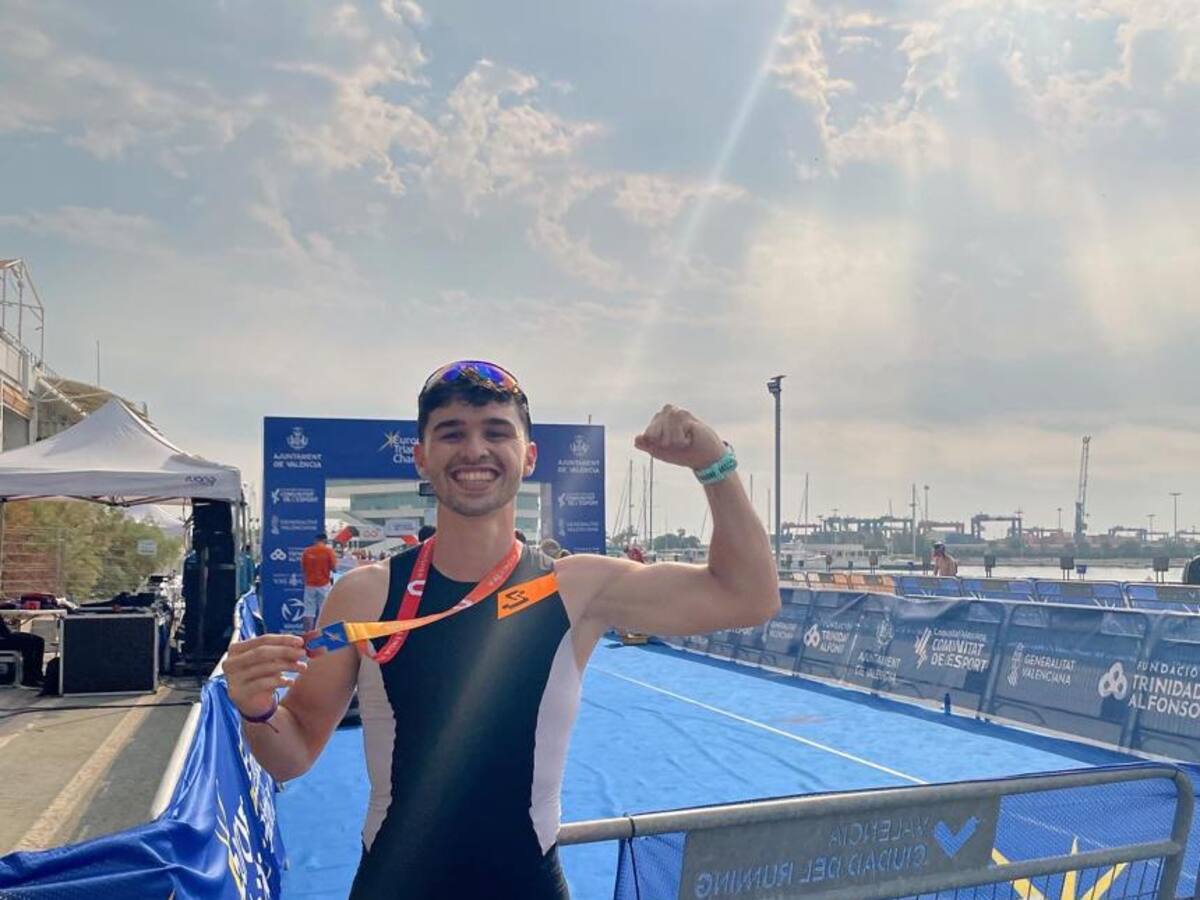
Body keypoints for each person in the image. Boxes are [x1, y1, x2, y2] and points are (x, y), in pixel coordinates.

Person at [224, 360, 779, 899]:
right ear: (421, 457)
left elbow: (748, 597)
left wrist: (714, 464)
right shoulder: (365, 594)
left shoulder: (577, 588)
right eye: (451, 433)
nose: (474, 450)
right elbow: (291, 753)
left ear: (528, 455)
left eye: (496, 431)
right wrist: (257, 710)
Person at [300, 532, 338, 632]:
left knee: (308, 611)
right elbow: (334, 569)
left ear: (315, 540)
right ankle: (323, 634)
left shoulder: (307, 551)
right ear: (325, 540)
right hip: (324, 584)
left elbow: (303, 568)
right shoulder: (328, 551)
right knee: (324, 611)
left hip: (310, 584)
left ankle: (308, 635)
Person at [0, 616, 44, 687]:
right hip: (3, 638)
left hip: (4, 635)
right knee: (30, 643)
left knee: (38, 640)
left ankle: (36, 675)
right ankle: (29, 678)